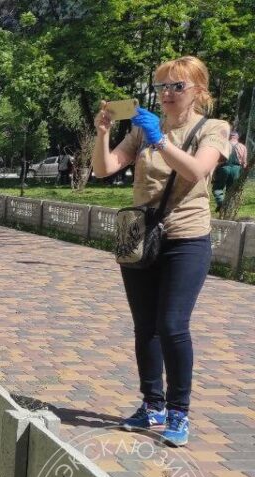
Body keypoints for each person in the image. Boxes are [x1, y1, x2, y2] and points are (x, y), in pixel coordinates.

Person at [92, 56, 231, 447]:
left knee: (172, 325)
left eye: (177, 86)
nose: (167, 94)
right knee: (145, 327)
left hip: (186, 238)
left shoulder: (213, 129)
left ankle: (178, 411)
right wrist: (103, 133)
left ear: (198, 91)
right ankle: (151, 405)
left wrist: (159, 140)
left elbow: (195, 171)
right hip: (141, 236)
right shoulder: (141, 129)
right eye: (161, 87)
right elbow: (104, 169)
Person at [211, 131, 247, 209]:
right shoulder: (242, 147)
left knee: (217, 188)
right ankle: (228, 207)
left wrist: (213, 171)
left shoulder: (223, 145)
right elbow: (244, 164)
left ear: (229, 137)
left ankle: (220, 202)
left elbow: (217, 159)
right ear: (237, 137)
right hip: (236, 170)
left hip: (224, 168)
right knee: (231, 189)